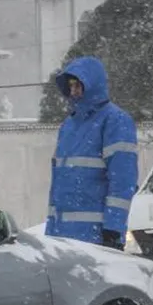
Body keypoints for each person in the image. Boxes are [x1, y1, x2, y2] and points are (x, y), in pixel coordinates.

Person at [45, 56, 138, 250]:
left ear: (92, 85)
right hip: (62, 239)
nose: (73, 90)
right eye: (70, 85)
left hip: (96, 238)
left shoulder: (115, 121)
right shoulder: (68, 126)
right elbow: (58, 184)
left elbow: (122, 180)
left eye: (78, 84)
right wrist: (51, 229)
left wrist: (113, 229)